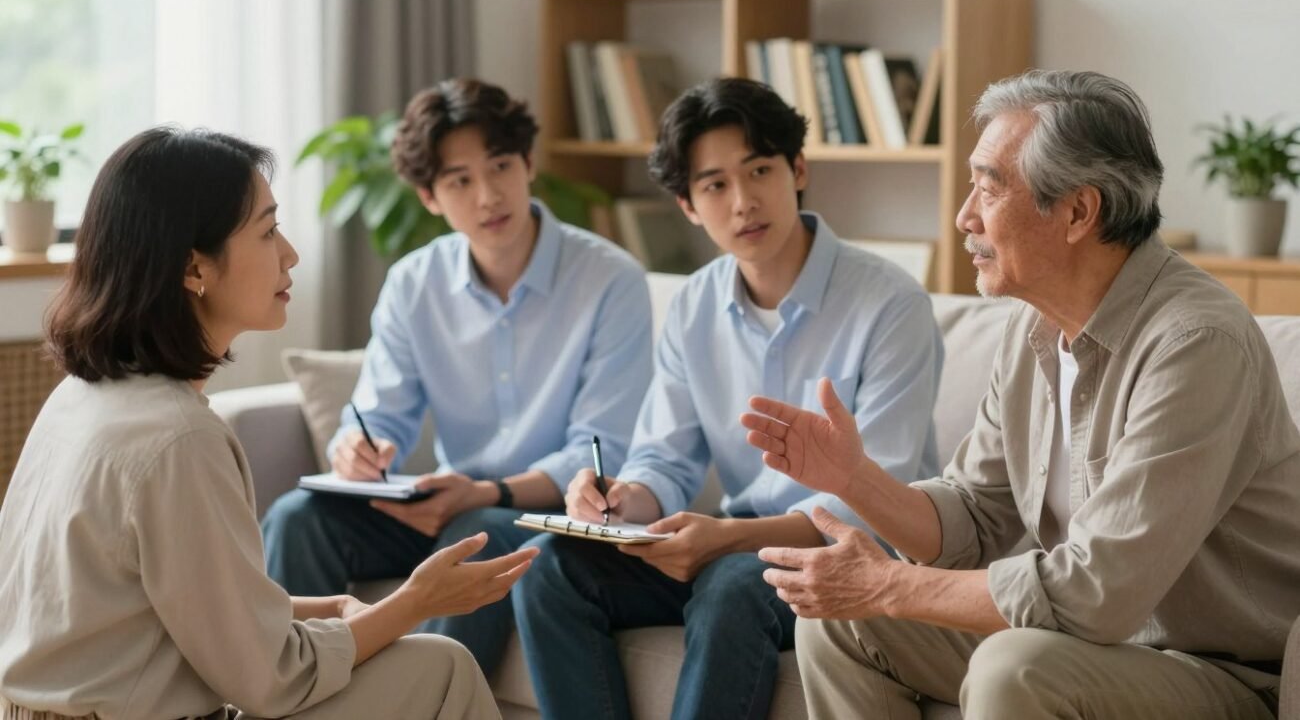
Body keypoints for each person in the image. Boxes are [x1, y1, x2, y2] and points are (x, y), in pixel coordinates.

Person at [741, 70, 1300, 719]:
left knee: (1014, 667)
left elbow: (1097, 591)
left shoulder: (1196, 343)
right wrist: (855, 478)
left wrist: (892, 583)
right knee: (841, 621)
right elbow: (977, 518)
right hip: (1092, 643)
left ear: (1078, 211)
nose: (964, 215)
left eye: (989, 185)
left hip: (1220, 669)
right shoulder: (1034, 325)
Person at [0, 126, 535, 720]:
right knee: (442, 667)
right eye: (267, 230)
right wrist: (415, 602)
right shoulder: (179, 438)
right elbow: (272, 679)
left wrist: (329, 608)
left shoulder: (84, 396)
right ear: (193, 268)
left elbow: (177, 608)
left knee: (435, 665)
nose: (290, 254)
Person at [512, 77, 944, 720]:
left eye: (760, 170)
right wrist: (625, 499)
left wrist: (726, 540)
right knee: (551, 566)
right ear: (688, 205)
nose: (743, 201)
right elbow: (666, 454)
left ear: (797, 169)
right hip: (732, 541)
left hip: (847, 554)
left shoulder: (890, 303)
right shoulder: (692, 305)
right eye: (714, 185)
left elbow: (874, 498)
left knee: (732, 583)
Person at [260, 78, 654, 675]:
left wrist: (487, 493)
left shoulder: (610, 279)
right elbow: (379, 414)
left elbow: (603, 448)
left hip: (537, 518)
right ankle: (282, 699)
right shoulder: (414, 282)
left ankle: (423, 702)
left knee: (479, 530)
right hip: (447, 503)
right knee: (296, 518)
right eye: (459, 180)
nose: (488, 195)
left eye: (499, 166)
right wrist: (358, 453)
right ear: (429, 196)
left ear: (528, 163)